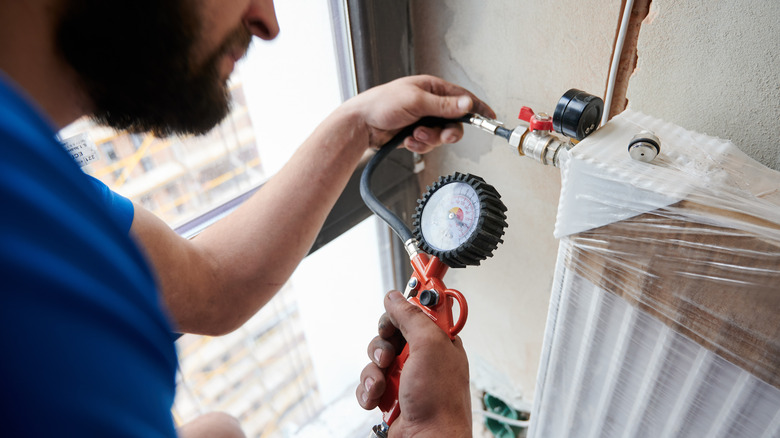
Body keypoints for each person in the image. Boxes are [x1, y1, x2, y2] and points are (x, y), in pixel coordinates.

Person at [0, 0, 492, 437]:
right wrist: (438, 430)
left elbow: (211, 284)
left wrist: (359, 124)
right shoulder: (22, 221)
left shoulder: (48, 187)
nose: (268, 22)